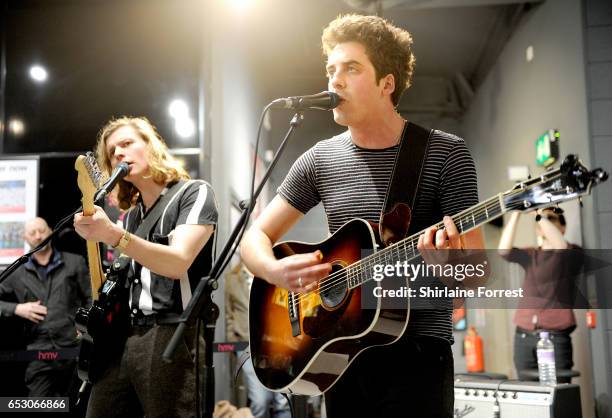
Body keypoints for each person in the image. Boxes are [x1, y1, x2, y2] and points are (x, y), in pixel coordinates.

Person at [240, 14, 486, 418]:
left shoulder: (445, 153)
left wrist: (447, 266)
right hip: (339, 355)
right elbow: (255, 238)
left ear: (386, 83)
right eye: (331, 70)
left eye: (351, 69)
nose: (334, 81)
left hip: (418, 355)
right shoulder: (319, 160)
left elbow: (474, 275)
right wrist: (275, 272)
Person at [73, 116, 218, 418]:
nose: (119, 154)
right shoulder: (131, 217)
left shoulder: (194, 192)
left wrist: (113, 235)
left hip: (173, 335)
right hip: (124, 338)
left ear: (151, 145)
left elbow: (178, 263)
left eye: (127, 143)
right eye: (113, 152)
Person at [0, 216, 91, 397]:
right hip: (38, 352)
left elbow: (91, 297)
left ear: (50, 231)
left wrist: (85, 325)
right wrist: (17, 309)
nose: (38, 236)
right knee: (38, 406)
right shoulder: (17, 271)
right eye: (32, 233)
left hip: (74, 347)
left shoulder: (75, 262)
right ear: (25, 238)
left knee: (76, 405)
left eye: (42, 231)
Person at [498, 207, 584, 382]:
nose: (544, 222)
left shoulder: (572, 252)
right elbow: (503, 251)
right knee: (528, 394)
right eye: (542, 220)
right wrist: (516, 213)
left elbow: (560, 246)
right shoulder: (531, 254)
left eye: (551, 219)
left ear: (563, 228)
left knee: (558, 394)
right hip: (523, 335)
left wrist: (538, 215)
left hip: (555, 338)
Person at [225, 262, 290, 418]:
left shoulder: (272, 272)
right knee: (260, 400)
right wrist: (234, 342)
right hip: (246, 344)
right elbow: (229, 314)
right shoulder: (232, 278)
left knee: (282, 400)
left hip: (274, 343)